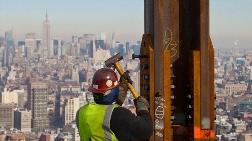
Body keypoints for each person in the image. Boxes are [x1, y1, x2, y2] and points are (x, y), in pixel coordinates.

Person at [76, 68, 153, 141]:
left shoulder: (81, 112)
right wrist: (143, 109)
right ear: (114, 90)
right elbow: (145, 130)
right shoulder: (118, 114)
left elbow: (108, 122)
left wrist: (120, 97)